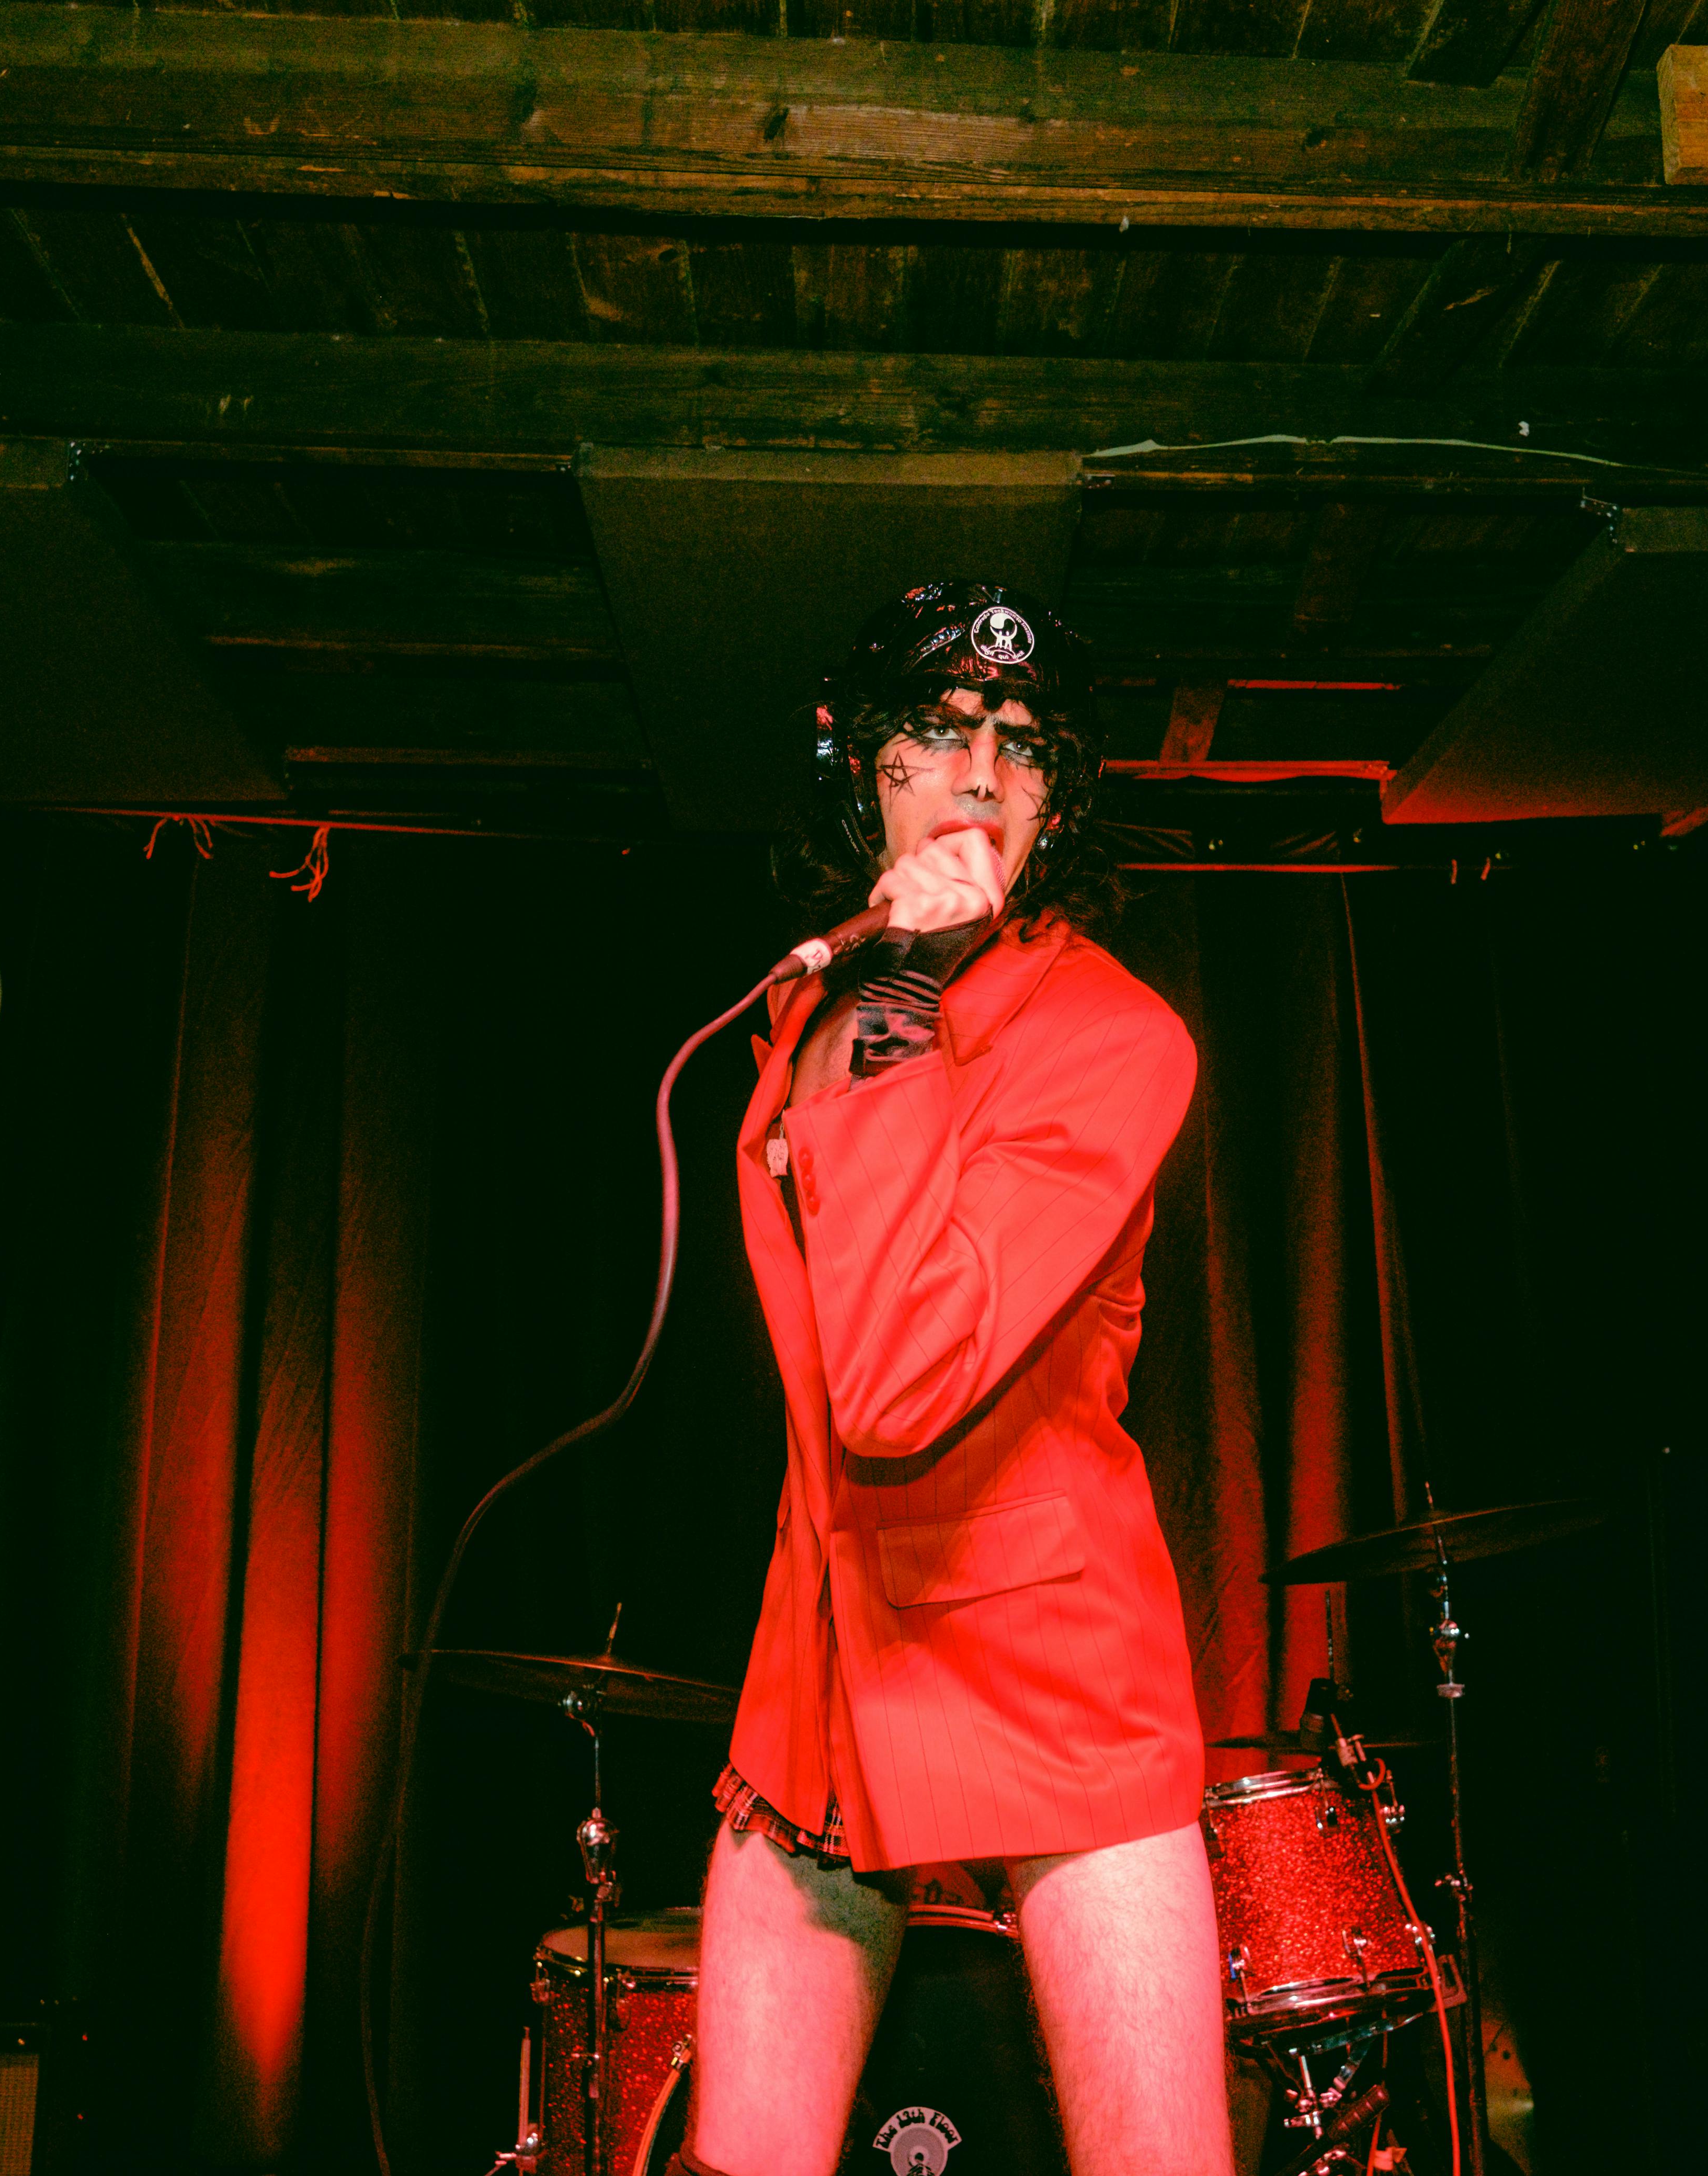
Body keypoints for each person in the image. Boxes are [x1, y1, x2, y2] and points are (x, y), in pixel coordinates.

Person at [682, 581, 1227, 2176]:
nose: (983, 772)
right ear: (869, 778)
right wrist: (885, 995)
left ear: (1058, 809)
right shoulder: (825, 1009)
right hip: (826, 1665)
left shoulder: (1117, 1039)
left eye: (1027, 748)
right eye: (938, 734)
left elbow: (901, 1385)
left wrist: (908, 991)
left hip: (1049, 1663)